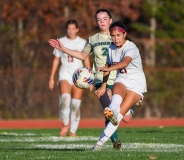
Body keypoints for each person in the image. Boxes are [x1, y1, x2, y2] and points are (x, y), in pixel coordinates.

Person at [48, 9, 139, 150]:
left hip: (121, 79)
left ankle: (133, 101)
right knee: (109, 110)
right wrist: (63, 48)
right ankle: (115, 141)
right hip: (100, 79)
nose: (102, 22)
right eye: (99, 20)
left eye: (104, 19)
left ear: (110, 19)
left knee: (126, 118)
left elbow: (130, 57)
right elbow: (82, 55)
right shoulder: (93, 39)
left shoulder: (118, 36)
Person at [93, 21, 147, 151]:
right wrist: (103, 86)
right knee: (116, 98)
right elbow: (107, 67)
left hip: (136, 83)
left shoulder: (131, 47)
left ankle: (100, 142)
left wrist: (110, 68)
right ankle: (112, 113)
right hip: (122, 79)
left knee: (121, 115)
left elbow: (124, 63)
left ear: (124, 34)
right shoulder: (111, 48)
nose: (115, 38)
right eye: (113, 36)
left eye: (118, 35)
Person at [48, 19, 91, 137]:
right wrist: (51, 77)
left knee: (76, 104)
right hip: (65, 74)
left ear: (77, 29)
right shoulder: (60, 42)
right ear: (66, 30)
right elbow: (56, 60)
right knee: (65, 100)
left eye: (73, 29)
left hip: (79, 76)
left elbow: (86, 60)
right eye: (68, 29)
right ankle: (66, 123)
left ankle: (73, 130)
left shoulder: (83, 42)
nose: (71, 31)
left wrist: (90, 79)